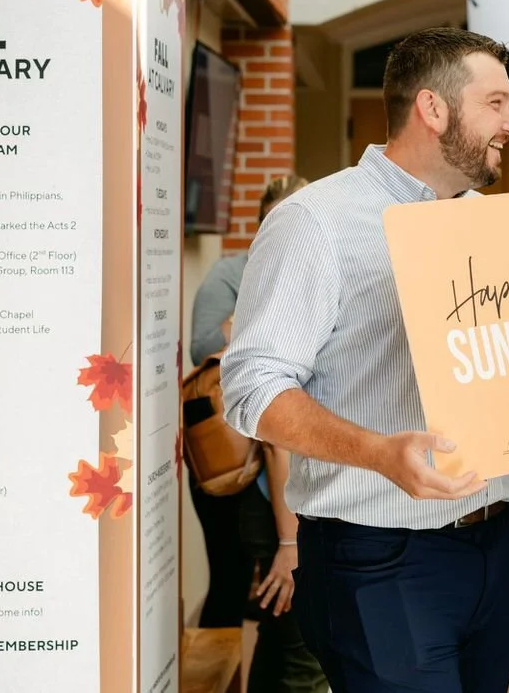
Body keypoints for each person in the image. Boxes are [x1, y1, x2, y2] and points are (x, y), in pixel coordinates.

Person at [219, 27, 509, 693]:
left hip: (495, 543)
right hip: (378, 554)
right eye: (496, 103)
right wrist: (380, 452)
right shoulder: (316, 220)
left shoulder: (490, 222)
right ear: (434, 109)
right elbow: (250, 389)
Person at [188, 174, 330, 693]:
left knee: (279, 633)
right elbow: (204, 350)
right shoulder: (239, 278)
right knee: (278, 633)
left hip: (285, 491)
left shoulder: (315, 280)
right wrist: (290, 540)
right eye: (282, 222)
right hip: (251, 479)